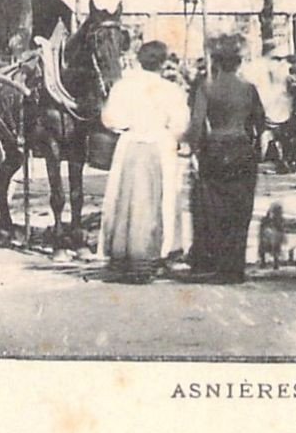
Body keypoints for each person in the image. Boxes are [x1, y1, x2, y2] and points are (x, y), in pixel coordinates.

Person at [97, 40, 191, 283]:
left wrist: (127, 126)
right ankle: (159, 252)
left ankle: (122, 254)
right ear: (162, 63)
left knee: (125, 197)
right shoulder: (171, 90)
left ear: (139, 60)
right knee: (162, 197)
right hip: (160, 144)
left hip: (130, 143)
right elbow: (180, 124)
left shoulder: (123, 87)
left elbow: (109, 119)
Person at [186, 37, 266, 284]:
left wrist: (194, 151)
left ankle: (219, 265)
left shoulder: (206, 88)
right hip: (241, 150)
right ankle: (236, 267)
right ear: (239, 63)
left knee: (215, 210)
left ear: (217, 63)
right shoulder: (249, 89)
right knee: (240, 210)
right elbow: (260, 122)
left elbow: (197, 124)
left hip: (215, 151)